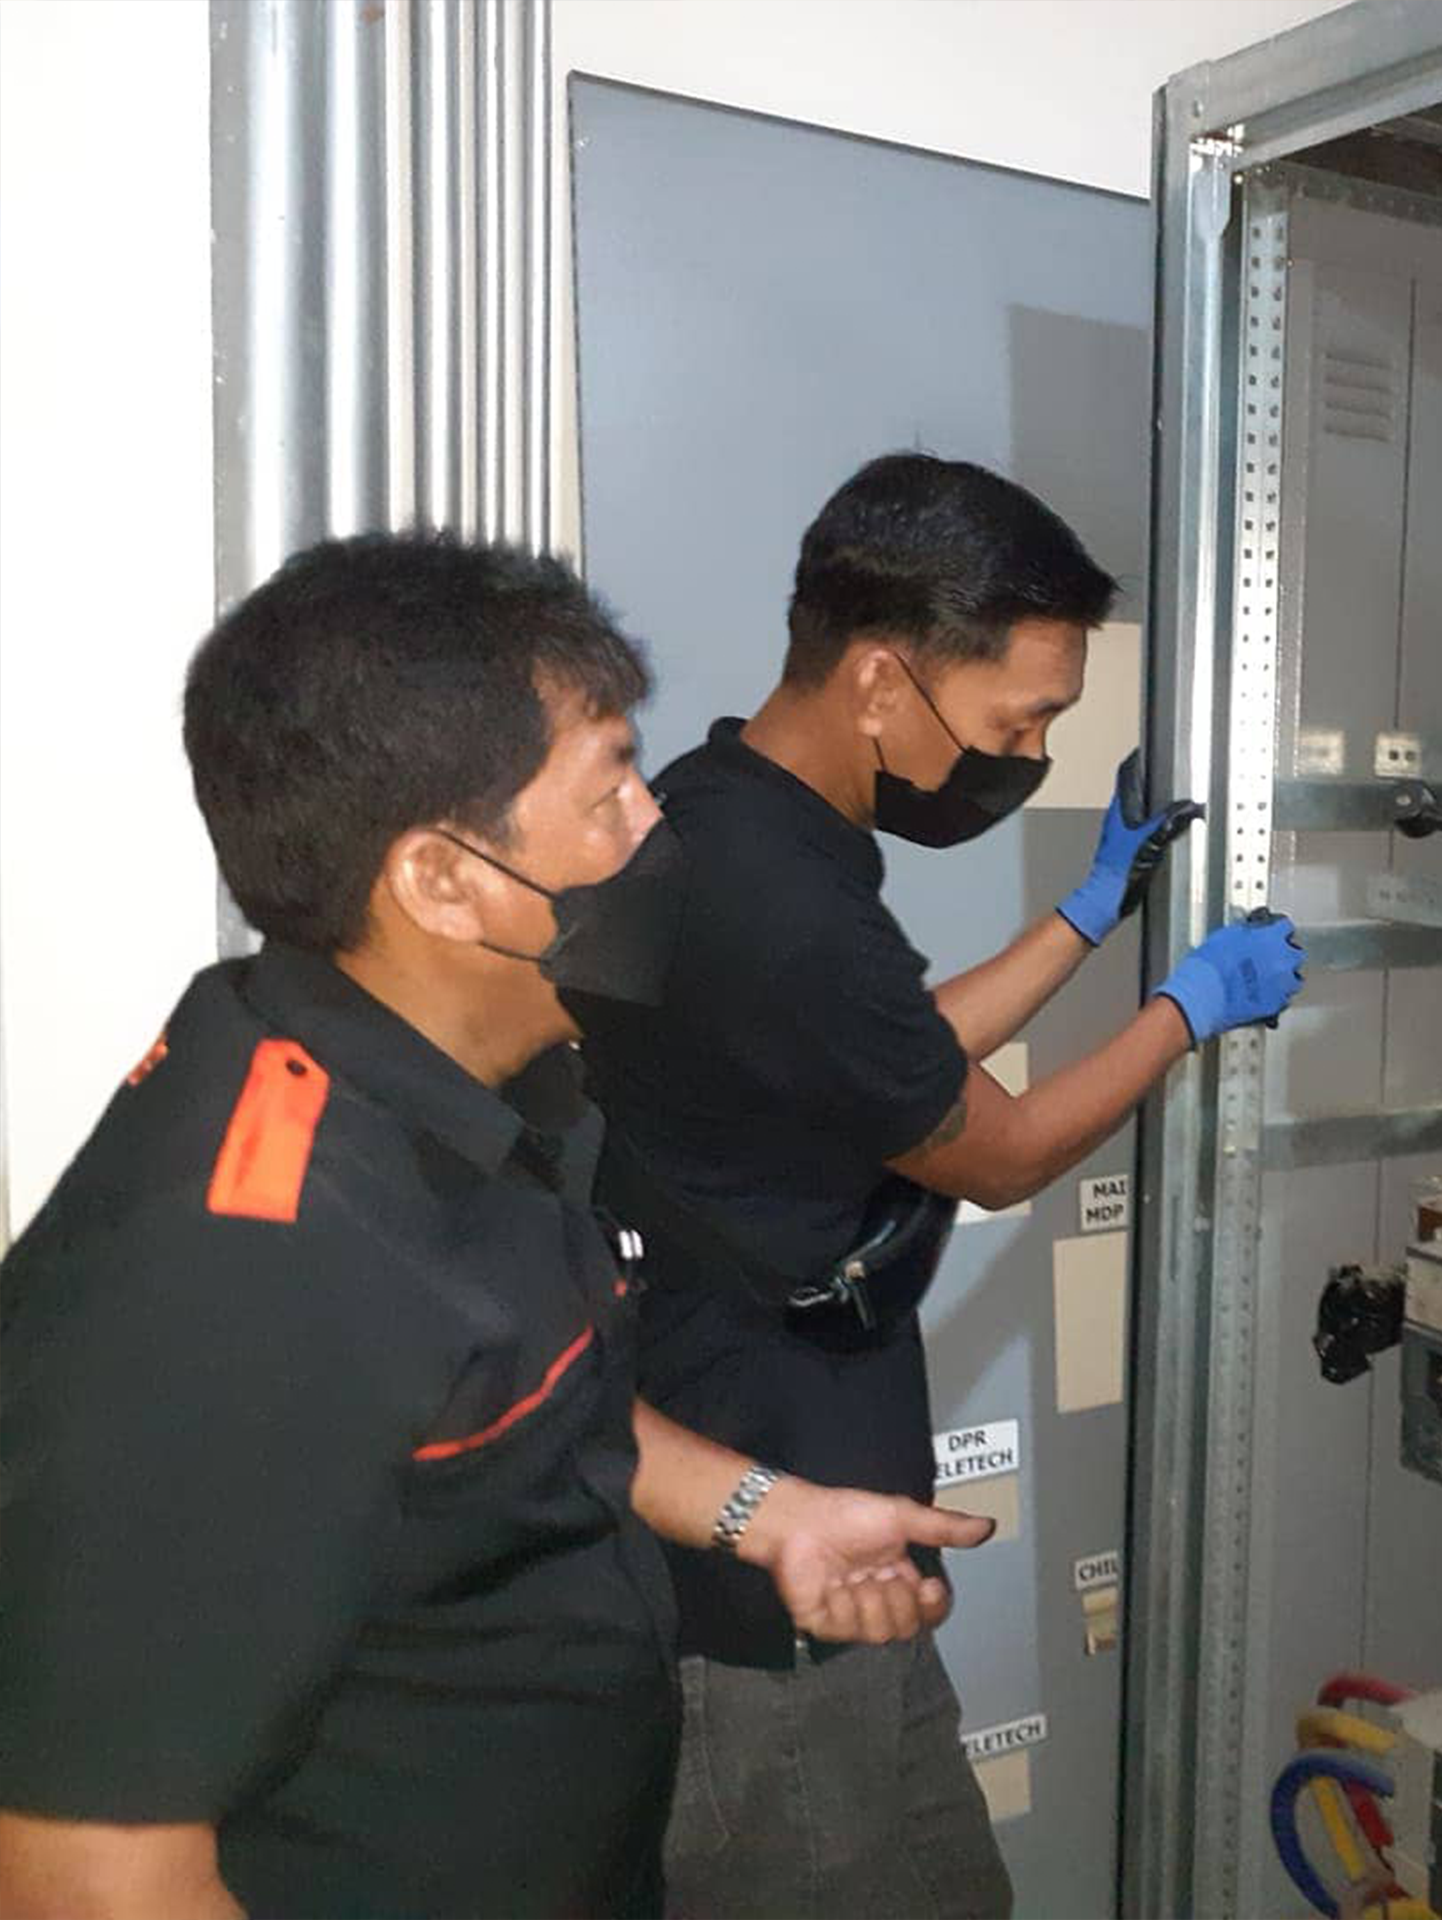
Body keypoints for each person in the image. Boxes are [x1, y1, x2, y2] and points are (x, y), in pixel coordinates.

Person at [0, 535, 995, 1920]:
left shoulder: (487, 1088)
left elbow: (514, 1399)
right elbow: (86, 1874)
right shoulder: (236, 1267)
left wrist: (769, 1515)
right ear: (443, 879)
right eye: (611, 792)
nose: (658, 831)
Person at [577, 453, 1307, 1918]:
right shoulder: (782, 903)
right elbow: (997, 1148)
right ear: (878, 681)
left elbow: (883, 1056)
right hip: (772, 1583)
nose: (1024, 755)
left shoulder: (722, 809)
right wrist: (1185, 1011)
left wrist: (1084, 917)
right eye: (1014, 720)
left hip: (822, 1526)